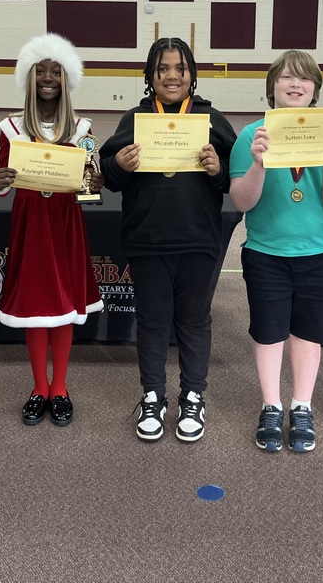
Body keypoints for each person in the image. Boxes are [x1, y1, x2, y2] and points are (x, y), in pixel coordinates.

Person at [99, 37, 236, 443]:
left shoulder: (211, 118)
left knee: (194, 320)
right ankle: (153, 395)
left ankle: (193, 395)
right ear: (150, 76)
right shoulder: (135, 118)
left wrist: (218, 170)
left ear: (192, 74)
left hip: (198, 239)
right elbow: (107, 174)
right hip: (148, 239)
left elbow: (236, 174)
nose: (172, 76)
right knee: (154, 321)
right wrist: (119, 165)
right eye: (162, 69)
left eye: (180, 68)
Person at [229, 50, 323, 453]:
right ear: (272, 87)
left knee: (307, 334)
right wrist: (259, 165)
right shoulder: (252, 136)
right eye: (285, 77)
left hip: (317, 252)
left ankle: (302, 405)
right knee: (268, 333)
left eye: (304, 78)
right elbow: (242, 202)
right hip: (266, 251)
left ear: (315, 89)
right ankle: (271, 405)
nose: (295, 84)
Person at [0, 34, 104, 427]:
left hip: (64, 224)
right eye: (42, 71)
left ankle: (61, 387)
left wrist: (94, 181)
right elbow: (3, 182)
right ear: (30, 76)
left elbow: (90, 188)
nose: (49, 78)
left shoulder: (83, 127)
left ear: (67, 78)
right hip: (31, 222)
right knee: (37, 309)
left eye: (56, 71)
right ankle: (39, 386)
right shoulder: (11, 126)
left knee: (63, 308)